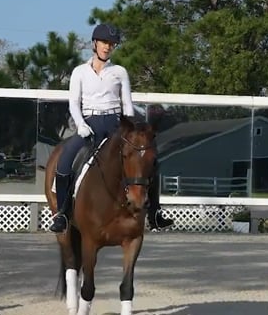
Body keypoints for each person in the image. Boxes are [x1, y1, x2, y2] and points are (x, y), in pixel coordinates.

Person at [49, 23, 174, 233]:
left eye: (112, 44)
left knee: (149, 160)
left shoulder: (119, 72)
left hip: (116, 125)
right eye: (104, 42)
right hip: (89, 123)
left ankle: (155, 213)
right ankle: (62, 214)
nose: (108, 47)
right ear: (95, 43)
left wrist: (131, 130)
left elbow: (127, 104)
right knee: (65, 160)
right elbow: (74, 103)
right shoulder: (79, 72)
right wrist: (81, 124)